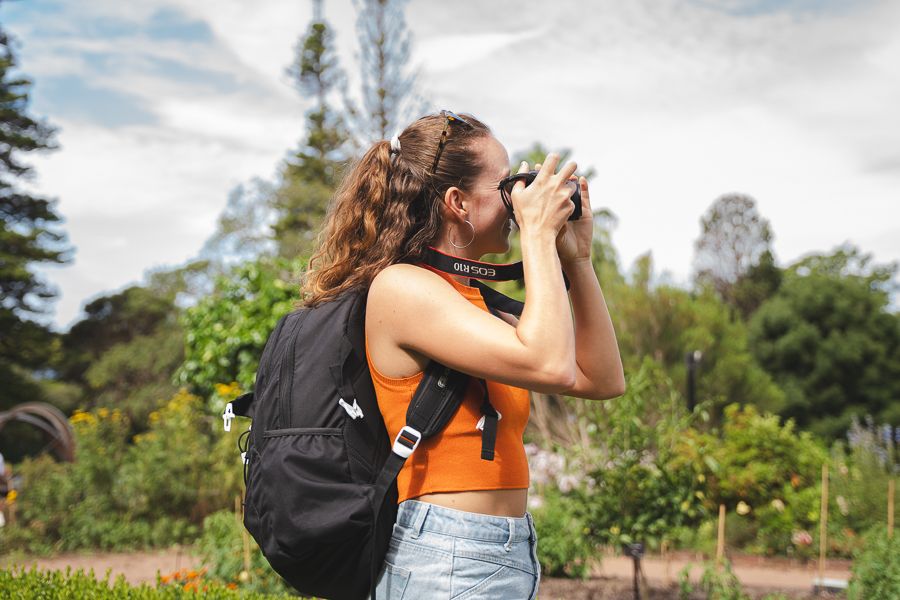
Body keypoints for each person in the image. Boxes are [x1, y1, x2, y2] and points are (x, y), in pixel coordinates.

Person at [302, 111, 625, 599]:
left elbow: (600, 379)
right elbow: (549, 362)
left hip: (499, 551)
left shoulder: (474, 302)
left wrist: (576, 259)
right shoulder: (403, 287)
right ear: (458, 203)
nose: (518, 202)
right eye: (506, 187)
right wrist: (537, 235)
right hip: (444, 555)